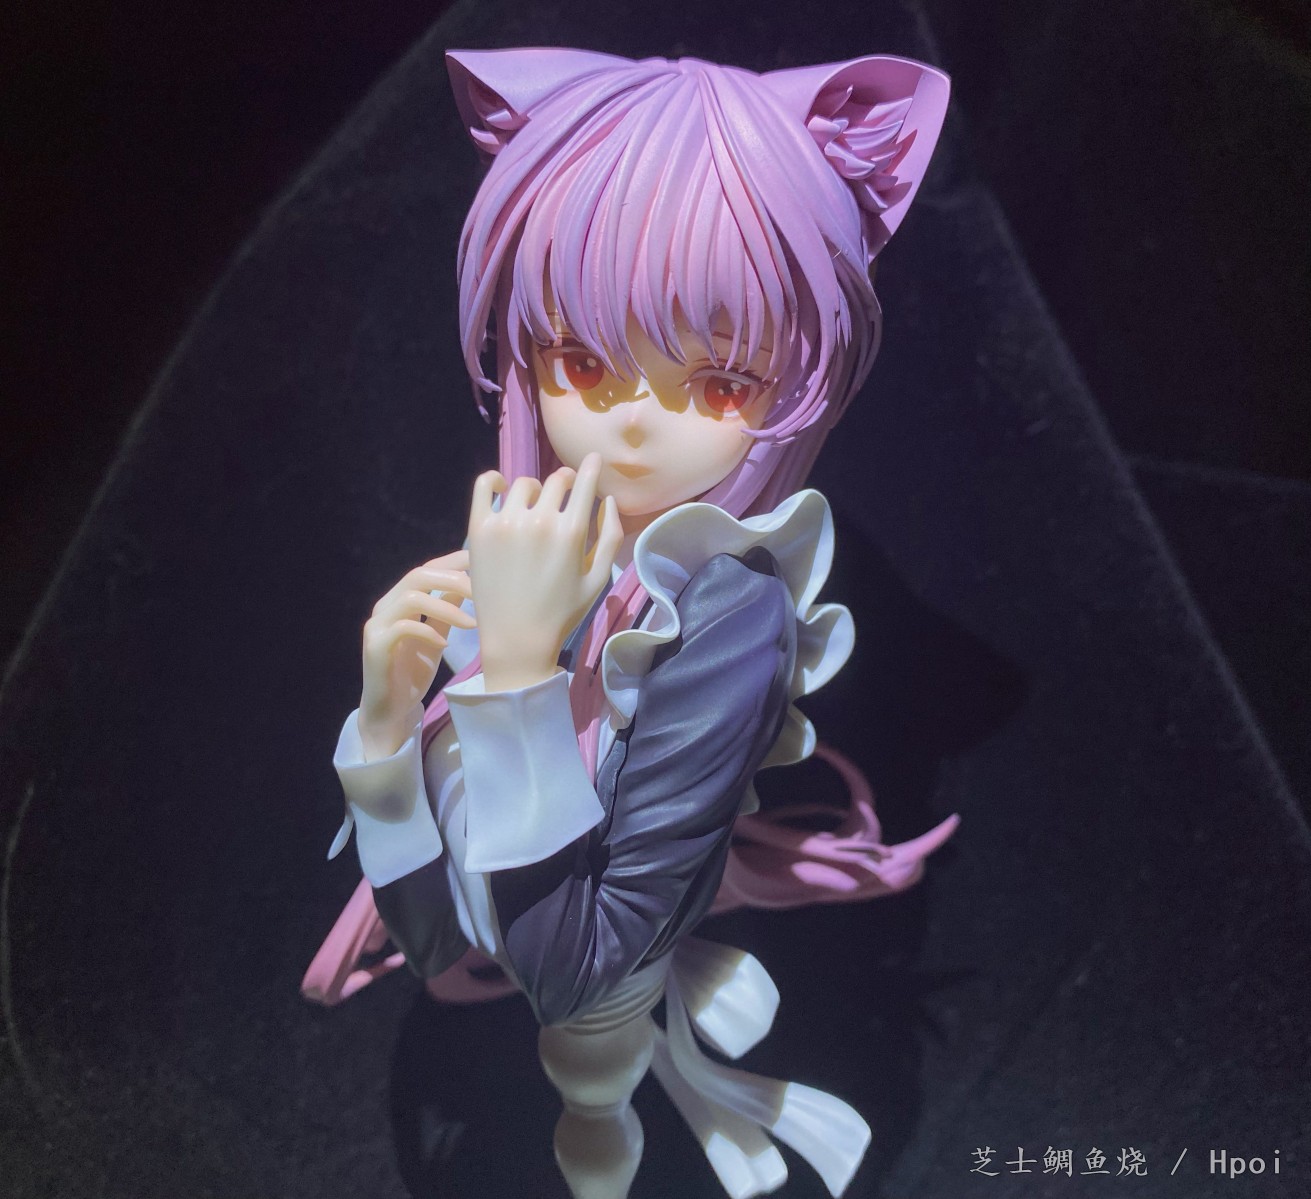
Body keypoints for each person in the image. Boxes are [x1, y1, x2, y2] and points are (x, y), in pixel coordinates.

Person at [304, 47, 956, 1199]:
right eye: (583, 361)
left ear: (798, 380)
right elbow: (437, 935)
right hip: (526, 982)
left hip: (599, 998)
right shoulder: (541, 544)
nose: (635, 425)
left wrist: (515, 673)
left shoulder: (733, 618)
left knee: (595, 1114)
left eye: (719, 383)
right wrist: (387, 730)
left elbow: (579, 974)